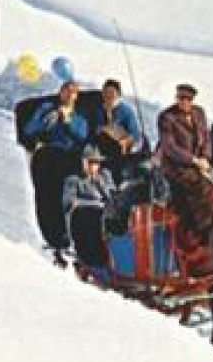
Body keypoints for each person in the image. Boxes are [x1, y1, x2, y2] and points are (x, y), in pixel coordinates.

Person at [22, 78, 91, 265]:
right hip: (45, 153)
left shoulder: (79, 115)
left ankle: (64, 237)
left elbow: (82, 135)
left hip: (67, 156)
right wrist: (46, 120)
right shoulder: (47, 108)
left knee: (62, 195)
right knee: (44, 195)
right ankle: (50, 237)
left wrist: (68, 121)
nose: (69, 95)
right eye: (65, 90)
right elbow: (29, 129)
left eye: (73, 92)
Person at [156, 83, 213, 244]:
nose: (183, 102)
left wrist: (205, 157)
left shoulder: (199, 113)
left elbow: (206, 137)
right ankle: (199, 234)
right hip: (176, 167)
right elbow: (170, 147)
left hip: (200, 166)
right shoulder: (167, 117)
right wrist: (195, 160)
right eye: (180, 98)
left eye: (187, 99)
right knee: (198, 187)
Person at [64, 147, 118, 283]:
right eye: (91, 162)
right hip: (85, 215)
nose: (95, 166)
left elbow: (113, 196)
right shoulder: (74, 180)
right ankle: (93, 266)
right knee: (89, 224)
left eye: (97, 163)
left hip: (104, 214)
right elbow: (69, 202)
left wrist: (101, 185)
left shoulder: (104, 177)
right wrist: (91, 202)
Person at [89, 78, 147, 184]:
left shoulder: (126, 110)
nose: (108, 95)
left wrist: (126, 140)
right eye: (105, 92)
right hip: (101, 148)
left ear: (118, 94)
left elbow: (135, 133)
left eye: (112, 93)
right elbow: (93, 128)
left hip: (121, 150)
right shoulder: (97, 109)